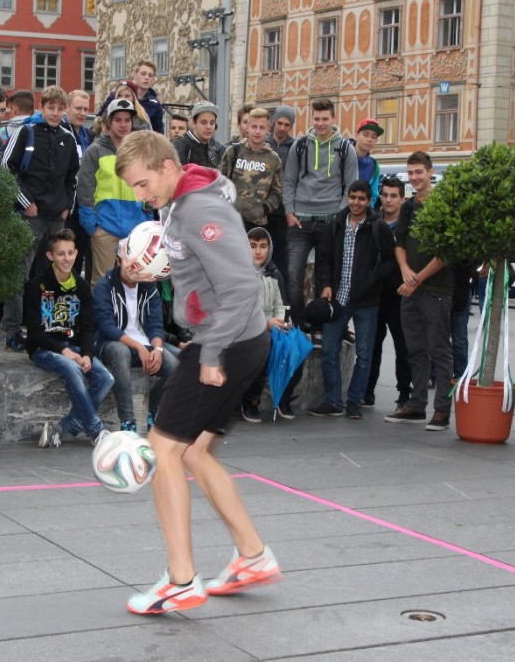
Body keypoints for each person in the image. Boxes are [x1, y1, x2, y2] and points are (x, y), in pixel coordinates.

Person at [115, 131, 281, 616]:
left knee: (163, 447)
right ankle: (252, 556)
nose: (141, 196)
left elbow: (241, 288)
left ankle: (181, 581)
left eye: (144, 184)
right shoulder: (181, 201)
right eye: (134, 189)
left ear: (168, 167)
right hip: (235, 340)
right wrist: (167, 275)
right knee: (196, 452)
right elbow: (207, 271)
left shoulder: (198, 210)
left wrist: (210, 356)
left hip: (225, 342)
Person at [1, 85, 80, 351]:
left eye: (60, 108)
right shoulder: (26, 132)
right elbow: (6, 169)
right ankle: (13, 329)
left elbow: (73, 177)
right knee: (20, 273)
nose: (55, 113)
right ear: (41, 107)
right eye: (51, 108)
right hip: (30, 214)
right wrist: (25, 202)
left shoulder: (69, 138)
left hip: (56, 215)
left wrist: (67, 206)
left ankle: (52, 327)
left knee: (57, 273)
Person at [308, 180, 396, 420]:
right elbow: (324, 259)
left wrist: (374, 278)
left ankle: (354, 402)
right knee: (328, 350)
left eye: (361, 199)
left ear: (369, 201)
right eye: (353, 197)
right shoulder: (335, 223)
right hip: (338, 298)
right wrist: (325, 284)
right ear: (348, 197)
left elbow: (390, 261)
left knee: (365, 354)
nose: (356, 203)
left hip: (367, 301)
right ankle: (333, 401)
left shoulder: (378, 227)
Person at [384, 151, 454, 430]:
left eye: (419, 172)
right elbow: (398, 242)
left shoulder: (443, 205)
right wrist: (404, 270)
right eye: (410, 173)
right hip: (410, 288)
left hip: (436, 288)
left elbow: (446, 252)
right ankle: (416, 404)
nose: (414, 178)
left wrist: (415, 280)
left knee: (440, 351)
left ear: (430, 172)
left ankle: (442, 411)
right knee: (415, 349)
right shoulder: (410, 206)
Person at [24, 229, 114, 446]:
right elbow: (34, 332)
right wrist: (63, 351)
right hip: (44, 349)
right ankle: (96, 430)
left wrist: (87, 354)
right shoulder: (36, 286)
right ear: (50, 256)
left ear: (76, 254)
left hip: (74, 346)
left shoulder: (81, 287)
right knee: (71, 368)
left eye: (70, 253)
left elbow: (87, 326)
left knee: (105, 379)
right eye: (61, 254)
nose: (67, 259)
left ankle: (61, 428)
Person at [282, 98, 358, 328]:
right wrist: (289, 211)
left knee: (328, 278)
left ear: (334, 119)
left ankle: (325, 324)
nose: (321, 123)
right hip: (300, 221)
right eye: (317, 119)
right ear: (311, 119)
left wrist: (338, 217)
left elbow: (350, 188)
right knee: (293, 277)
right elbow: (289, 182)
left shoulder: (345, 149)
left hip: (330, 221)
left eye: (325, 119)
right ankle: (299, 325)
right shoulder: (301, 145)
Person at [93, 243, 179, 433]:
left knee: (178, 364)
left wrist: (157, 349)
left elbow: (156, 324)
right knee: (120, 351)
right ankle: (127, 422)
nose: (134, 268)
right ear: (118, 261)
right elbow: (107, 327)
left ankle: (154, 409)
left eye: (138, 263)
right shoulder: (104, 286)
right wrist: (140, 348)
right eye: (129, 263)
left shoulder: (149, 285)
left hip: (146, 341)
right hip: (113, 343)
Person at [78, 99, 153, 285]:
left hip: (136, 230)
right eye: (118, 120)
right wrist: (92, 227)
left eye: (127, 120)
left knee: (137, 282)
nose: (123, 124)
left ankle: (132, 316)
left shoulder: (139, 153)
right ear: (108, 123)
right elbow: (85, 189)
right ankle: (104, 316)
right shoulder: (95, 151)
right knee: (103, 283)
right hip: (105, 229)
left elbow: (150, 185)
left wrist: (148, 218)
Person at [362, 177, 412, 409]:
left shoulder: (409, 224)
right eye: (385, 195)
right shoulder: (372, 221)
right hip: (375, 293)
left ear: (402, 198)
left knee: (403, 346)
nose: (389, 200)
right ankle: (367, 390)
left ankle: (404, 393)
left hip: (401, 293)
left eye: (394, 196)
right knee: (372, 345)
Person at [241, 227, 299, 422]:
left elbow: (281, 304)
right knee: (263, 347)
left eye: (263, 246)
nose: (258, 251)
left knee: (297, 345)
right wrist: (267, 324)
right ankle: (251, 401)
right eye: (253, 246)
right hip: (247, 329)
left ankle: (284, 396)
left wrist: (283, 322)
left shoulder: (274, 272)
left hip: (273, 324)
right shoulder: (238, 275)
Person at [219, 107, 282, 230]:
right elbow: (220, 182)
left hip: (257, 223)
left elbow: (277, 193)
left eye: (262, 127)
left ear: (268, 130)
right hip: (230, 220)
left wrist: (264, 208)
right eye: (254, 126)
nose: (257, 131)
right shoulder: (233, 151)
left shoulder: (274, 159)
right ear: (248, 127)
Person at [62, 89, 95, 281]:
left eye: (85, 109)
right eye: (78, 108)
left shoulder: (89, 135)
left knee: (79, 255)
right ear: (68, 108)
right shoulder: (62, 132)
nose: (82, 113)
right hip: (67, 205)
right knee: (64, 257)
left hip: (84, 205)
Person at [265, 105, 296, 279]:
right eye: (280, 123)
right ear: (274, 122)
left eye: (287, 125)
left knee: (282, 257)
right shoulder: (264, 143)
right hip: (264, 210)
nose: (283, 128)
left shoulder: (295, 147)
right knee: (262, 252)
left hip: (283, 211)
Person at [98, 60, 165, 133]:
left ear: (153, 79)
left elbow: (158, 132)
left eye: (150, 75)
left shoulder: (154, 104)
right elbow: (100, 120)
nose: (146, 77)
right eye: (143, 74)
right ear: (135, 75)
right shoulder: (114, 96)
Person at [173, 101, 226, 168]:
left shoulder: (217, 149)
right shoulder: (180, 146)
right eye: (203, 122)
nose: (208, 127)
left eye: (212, 123)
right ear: (193, 123)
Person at [351, 118, 383, 208]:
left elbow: (372, 196)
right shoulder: (342, 157)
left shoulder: (374, 166)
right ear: (357, 135)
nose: (369, 139)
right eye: (366, 135)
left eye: (374, 137)